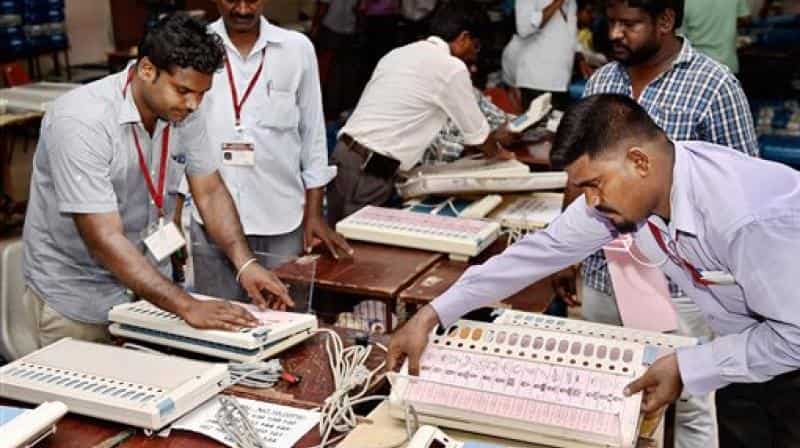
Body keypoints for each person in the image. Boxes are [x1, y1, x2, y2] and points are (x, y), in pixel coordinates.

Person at [388, 94, 800, 447]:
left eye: (593, 185)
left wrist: (689, 367)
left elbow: (794, 337)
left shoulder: (747, 219)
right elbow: (543, 250)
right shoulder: (638, 188)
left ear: (639, 161)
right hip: (748, 352)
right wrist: (433, 313)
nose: (589, 201)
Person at [19, 14, 292, 355]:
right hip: (78, 296)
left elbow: (209, 191)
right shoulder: (81, 121)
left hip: (146, 292)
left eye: (202, 93)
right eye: (183, 91)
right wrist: (187, 305)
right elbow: (104, 239)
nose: (193, 104)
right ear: (147, 70)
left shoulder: (184, 110)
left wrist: (246, 264)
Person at [567, 2, 759, 445]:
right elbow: (578, 173)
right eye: (612, 22)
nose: (615, 33)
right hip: (603, 273)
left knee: (689, 402)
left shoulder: (713, 86)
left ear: (666, 21)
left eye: (629, 24)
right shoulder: (602, 81)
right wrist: (567, 256)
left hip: (679, 285)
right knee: (605, 391)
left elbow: (741, 188)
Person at [184, 0, 351, 309]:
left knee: (285, 318)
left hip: (282, 219)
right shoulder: (193, 47)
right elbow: (177, 131)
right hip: (210, 222)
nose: (243, 9)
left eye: (252, 0)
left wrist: (314, 213)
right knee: (217, 319)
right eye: (232, 0)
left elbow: (313, 134)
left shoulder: (296, 49)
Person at [326, 1, 518, 225]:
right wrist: (501, 156)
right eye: (475, 47)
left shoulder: (400, 53)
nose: (473, 57)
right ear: (464, 37)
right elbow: (479, 136)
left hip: (343, 156)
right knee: (357, 242)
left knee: (335, 239)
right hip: (370, 172)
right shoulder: (450, 67)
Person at [502, 0, 578, 109]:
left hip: (562, 82)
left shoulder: (571, 2)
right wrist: (557, 2)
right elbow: (524, 28)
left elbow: (569, 36)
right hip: (536, 82)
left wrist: (580, 56)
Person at [682, 0, 751, 73]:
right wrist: (728, 22)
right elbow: (746, 18)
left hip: (697, 66)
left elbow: (680, 35)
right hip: (727, 65)